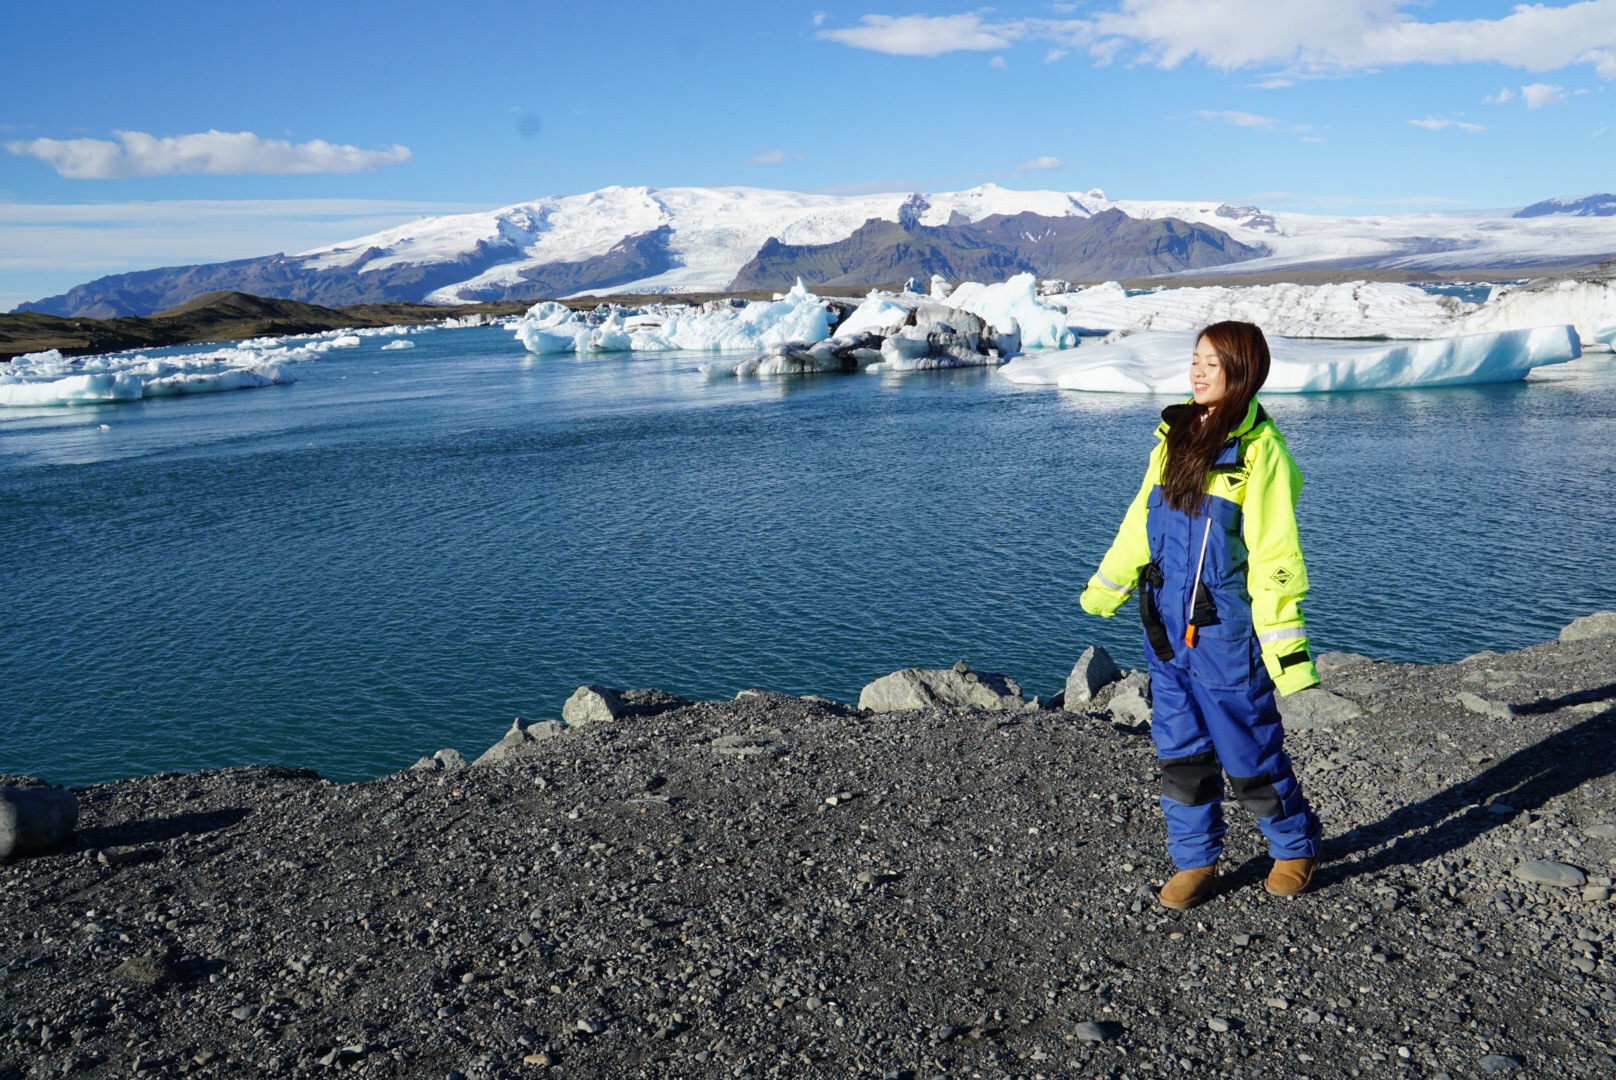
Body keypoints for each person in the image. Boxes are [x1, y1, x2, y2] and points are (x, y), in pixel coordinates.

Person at [1080, 321, 1322, 910]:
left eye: (1213, 364)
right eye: (1195, 360)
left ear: (1243, 372)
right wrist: (1106, 586)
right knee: (1180, 751)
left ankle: (1293, 847)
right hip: (1163, 628)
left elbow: (1275, 558)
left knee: (1249, 751)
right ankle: (1196, 861)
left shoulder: (1261, 454)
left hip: (1223, 633)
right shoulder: (1175, 434)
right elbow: (1141, 519)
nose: (1198, 372)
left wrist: (1288, 656)